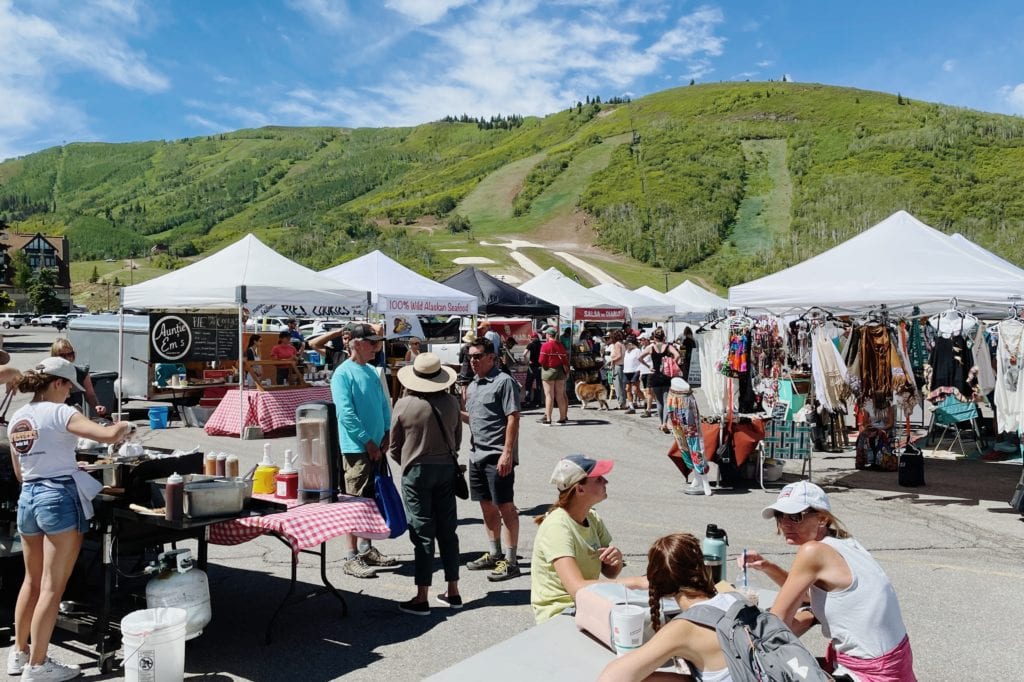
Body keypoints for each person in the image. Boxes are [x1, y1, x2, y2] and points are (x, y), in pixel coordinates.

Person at [7, 358, 134, 681]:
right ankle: (38, 666)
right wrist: (124, 427)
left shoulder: (18, 417)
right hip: (58, 499)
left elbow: (21, 473)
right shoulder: (61, 412)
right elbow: (106, 436)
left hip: (29, 499)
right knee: (52, 587)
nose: (70, 395)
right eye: (69, 388)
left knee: (32, 581)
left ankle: (19, 654)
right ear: (58, 383)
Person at [739, 481, 916, 681]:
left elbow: (776, 624)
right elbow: (810, 596)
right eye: (780, 516)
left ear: (822, 518)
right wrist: (768, 567)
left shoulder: (813, 551)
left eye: (795, 516)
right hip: (895, 664)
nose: (785, 524)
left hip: (868, 672)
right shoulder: (844, 542)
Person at [598, 533, 731, 682]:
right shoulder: (734, 599)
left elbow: (610, 678)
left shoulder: (683, 628)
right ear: (702, 567)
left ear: (659, 587)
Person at [530, 455, 645, 624]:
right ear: (580, 489)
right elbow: (577, 588)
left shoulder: (592, 517)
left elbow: (610, 573)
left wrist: (616, 560)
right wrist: (637, 583)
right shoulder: (557, 527)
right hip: (561, 613)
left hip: (586, 604)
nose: (606, 481)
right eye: (598, 479)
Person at [389, 353, 463, 616]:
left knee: (422, 532)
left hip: (416, 470)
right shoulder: (452, 403)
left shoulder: (404, 405)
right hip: (446, 468)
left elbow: (394, 447)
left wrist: (410, 458)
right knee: (448, 531)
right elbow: (457, 440)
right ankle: (453, 590)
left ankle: (422, 596)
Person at [331, 322, 398, 578]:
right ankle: (351, 556)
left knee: (371, 500)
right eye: (372, 343)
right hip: (356, 449)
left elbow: (383, 404)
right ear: (357, 344)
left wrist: (387, 432)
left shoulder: (371, 371)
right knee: (354, 501)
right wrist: (367, 441)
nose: (376, 347)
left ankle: (366, 548)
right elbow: (345, 414)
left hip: (375, 446)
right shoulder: (342, 374)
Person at [461, 337, 522, 581]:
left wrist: (507, 453)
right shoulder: (473, 385)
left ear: (492, 358)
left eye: (477, 356)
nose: (473, 361)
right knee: (486, 505)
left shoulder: (504, 381)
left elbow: (513, 417)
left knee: (505, 506)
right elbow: (477, 418)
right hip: (477, 454)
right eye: (470, 357)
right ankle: (495, 553)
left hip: (497, 455)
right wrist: (454, 411)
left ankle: (511, 560)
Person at [667, 378, 712, 496]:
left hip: (685, 404)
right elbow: (671, 412)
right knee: (683, 446)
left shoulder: (687, 397)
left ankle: (704, 481)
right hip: (676, 404)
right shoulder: (673, 396)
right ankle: (697, 478)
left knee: (695, 447)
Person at [49, 340, 106, 417]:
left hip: (75, 414)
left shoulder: (81, 372)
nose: (67, 358)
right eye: (63, 356)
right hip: (55, 414)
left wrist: (97, 406)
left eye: (70, 354)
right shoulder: (50, 373)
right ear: (54, 356)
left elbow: (90, 395)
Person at [639, 328, 680, 434]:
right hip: (666, 375)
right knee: (666, 401)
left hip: (655, 375)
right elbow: (677, 355)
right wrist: (671, 363)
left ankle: (661, 423)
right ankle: (665, 423)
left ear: (654, 337)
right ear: (663, 337)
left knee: (659, 401)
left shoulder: (651, 347)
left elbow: (640, 358)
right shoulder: (668, 347)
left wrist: (649, 366)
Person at [538, 326, 569, 425]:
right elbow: (565, 360)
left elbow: (541, 360)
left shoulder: (545, 345)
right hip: (560, 371)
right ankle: (562, 418)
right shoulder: (560, 345)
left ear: (548, 335)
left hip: (548, 371)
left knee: (549, 396)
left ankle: (548, 419)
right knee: (560, 395)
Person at [856, 397, 894, 470]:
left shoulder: (888, 406)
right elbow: (865, 423)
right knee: (862, 436)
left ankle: (878, 461)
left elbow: (890, 423)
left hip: (884, 429)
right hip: (872, 428)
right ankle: (863, 461)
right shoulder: (868, 405)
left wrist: (881, 429)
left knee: (879, 436)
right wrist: (869, 426)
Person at [622, 336, 642, 414]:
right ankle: (631, 407)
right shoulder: (627, 351)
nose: (625, 346)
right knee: (627, 389)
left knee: (635, 389)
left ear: (631, 344)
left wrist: (640, 372)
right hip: (626, 371)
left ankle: (645, 401)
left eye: (626, 344)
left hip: (635, 371)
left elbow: (640, 361)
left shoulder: (637, 351)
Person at [523, 331, 542, 408]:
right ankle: (537, 402)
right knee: (538, 384)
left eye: (531, 338)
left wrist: (527, 361)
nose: (531, 339)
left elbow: (524, 354)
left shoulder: (530, 344)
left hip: (532, 367)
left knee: (528, 384)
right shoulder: (541, 345)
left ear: (534, 338)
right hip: (539, 367)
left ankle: (528, 401)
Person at [608, 331, 627, 410]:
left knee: (618, 386)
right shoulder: (623, 343)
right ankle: (623, 403)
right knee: (622, 385)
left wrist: (612, 360)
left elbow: (619, 355)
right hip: (623, 365)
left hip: (618, 366)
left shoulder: (617, 344)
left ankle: (621, 403)